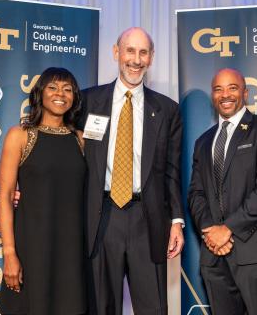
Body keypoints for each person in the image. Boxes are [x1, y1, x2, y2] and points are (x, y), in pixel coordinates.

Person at [80, 27, 184, 315]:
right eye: (129, 51)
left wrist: (176, 220)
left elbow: (172, 171)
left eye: (143, 52)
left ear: (150, 58)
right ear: (116, 53)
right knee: (101, 306)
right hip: (101, 217)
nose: (135, 60)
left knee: (153, 306)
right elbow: (66, 155)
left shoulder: (168, 110)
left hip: (147, 219)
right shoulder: (87, 102)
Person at [188, 68, 257, 315]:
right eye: (218, 89)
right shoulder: (203, 141)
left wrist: (228, 229)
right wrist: (212, 233)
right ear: (213, 96)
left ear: (245, 92)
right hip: (214, 254)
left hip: (255, 250)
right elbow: (196, 193)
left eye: (232, 87)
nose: (225, 95)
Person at [0, 67, 87, 315]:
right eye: (53, 87)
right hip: (31, 248)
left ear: (74, 98)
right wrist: (9, 253)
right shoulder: (21, 136)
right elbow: (5, 197)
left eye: (67, 89)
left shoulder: (81, 139)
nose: (61, 94)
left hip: (71, 253)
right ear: (40, 93)